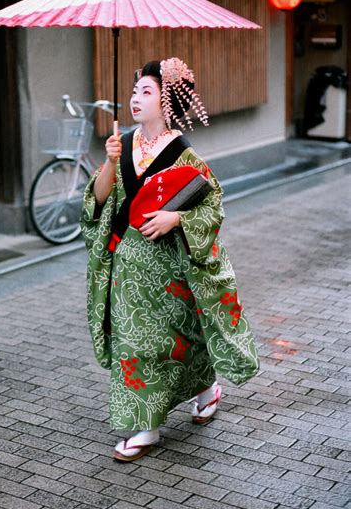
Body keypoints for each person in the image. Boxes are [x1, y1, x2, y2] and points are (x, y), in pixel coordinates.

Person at [81, 57, 259, 462]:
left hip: (170, 266)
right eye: (133, 92)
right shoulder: (122, 144)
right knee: (136, 344)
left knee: (181, 340)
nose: (135, 99)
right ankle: (146, 427)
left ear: (167, 100)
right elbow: (100, 200)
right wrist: (109, 163)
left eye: (146, 92)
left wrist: (175, 216)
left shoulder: (183, 153)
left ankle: (205, 387)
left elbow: (212, 205)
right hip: (128, 265)